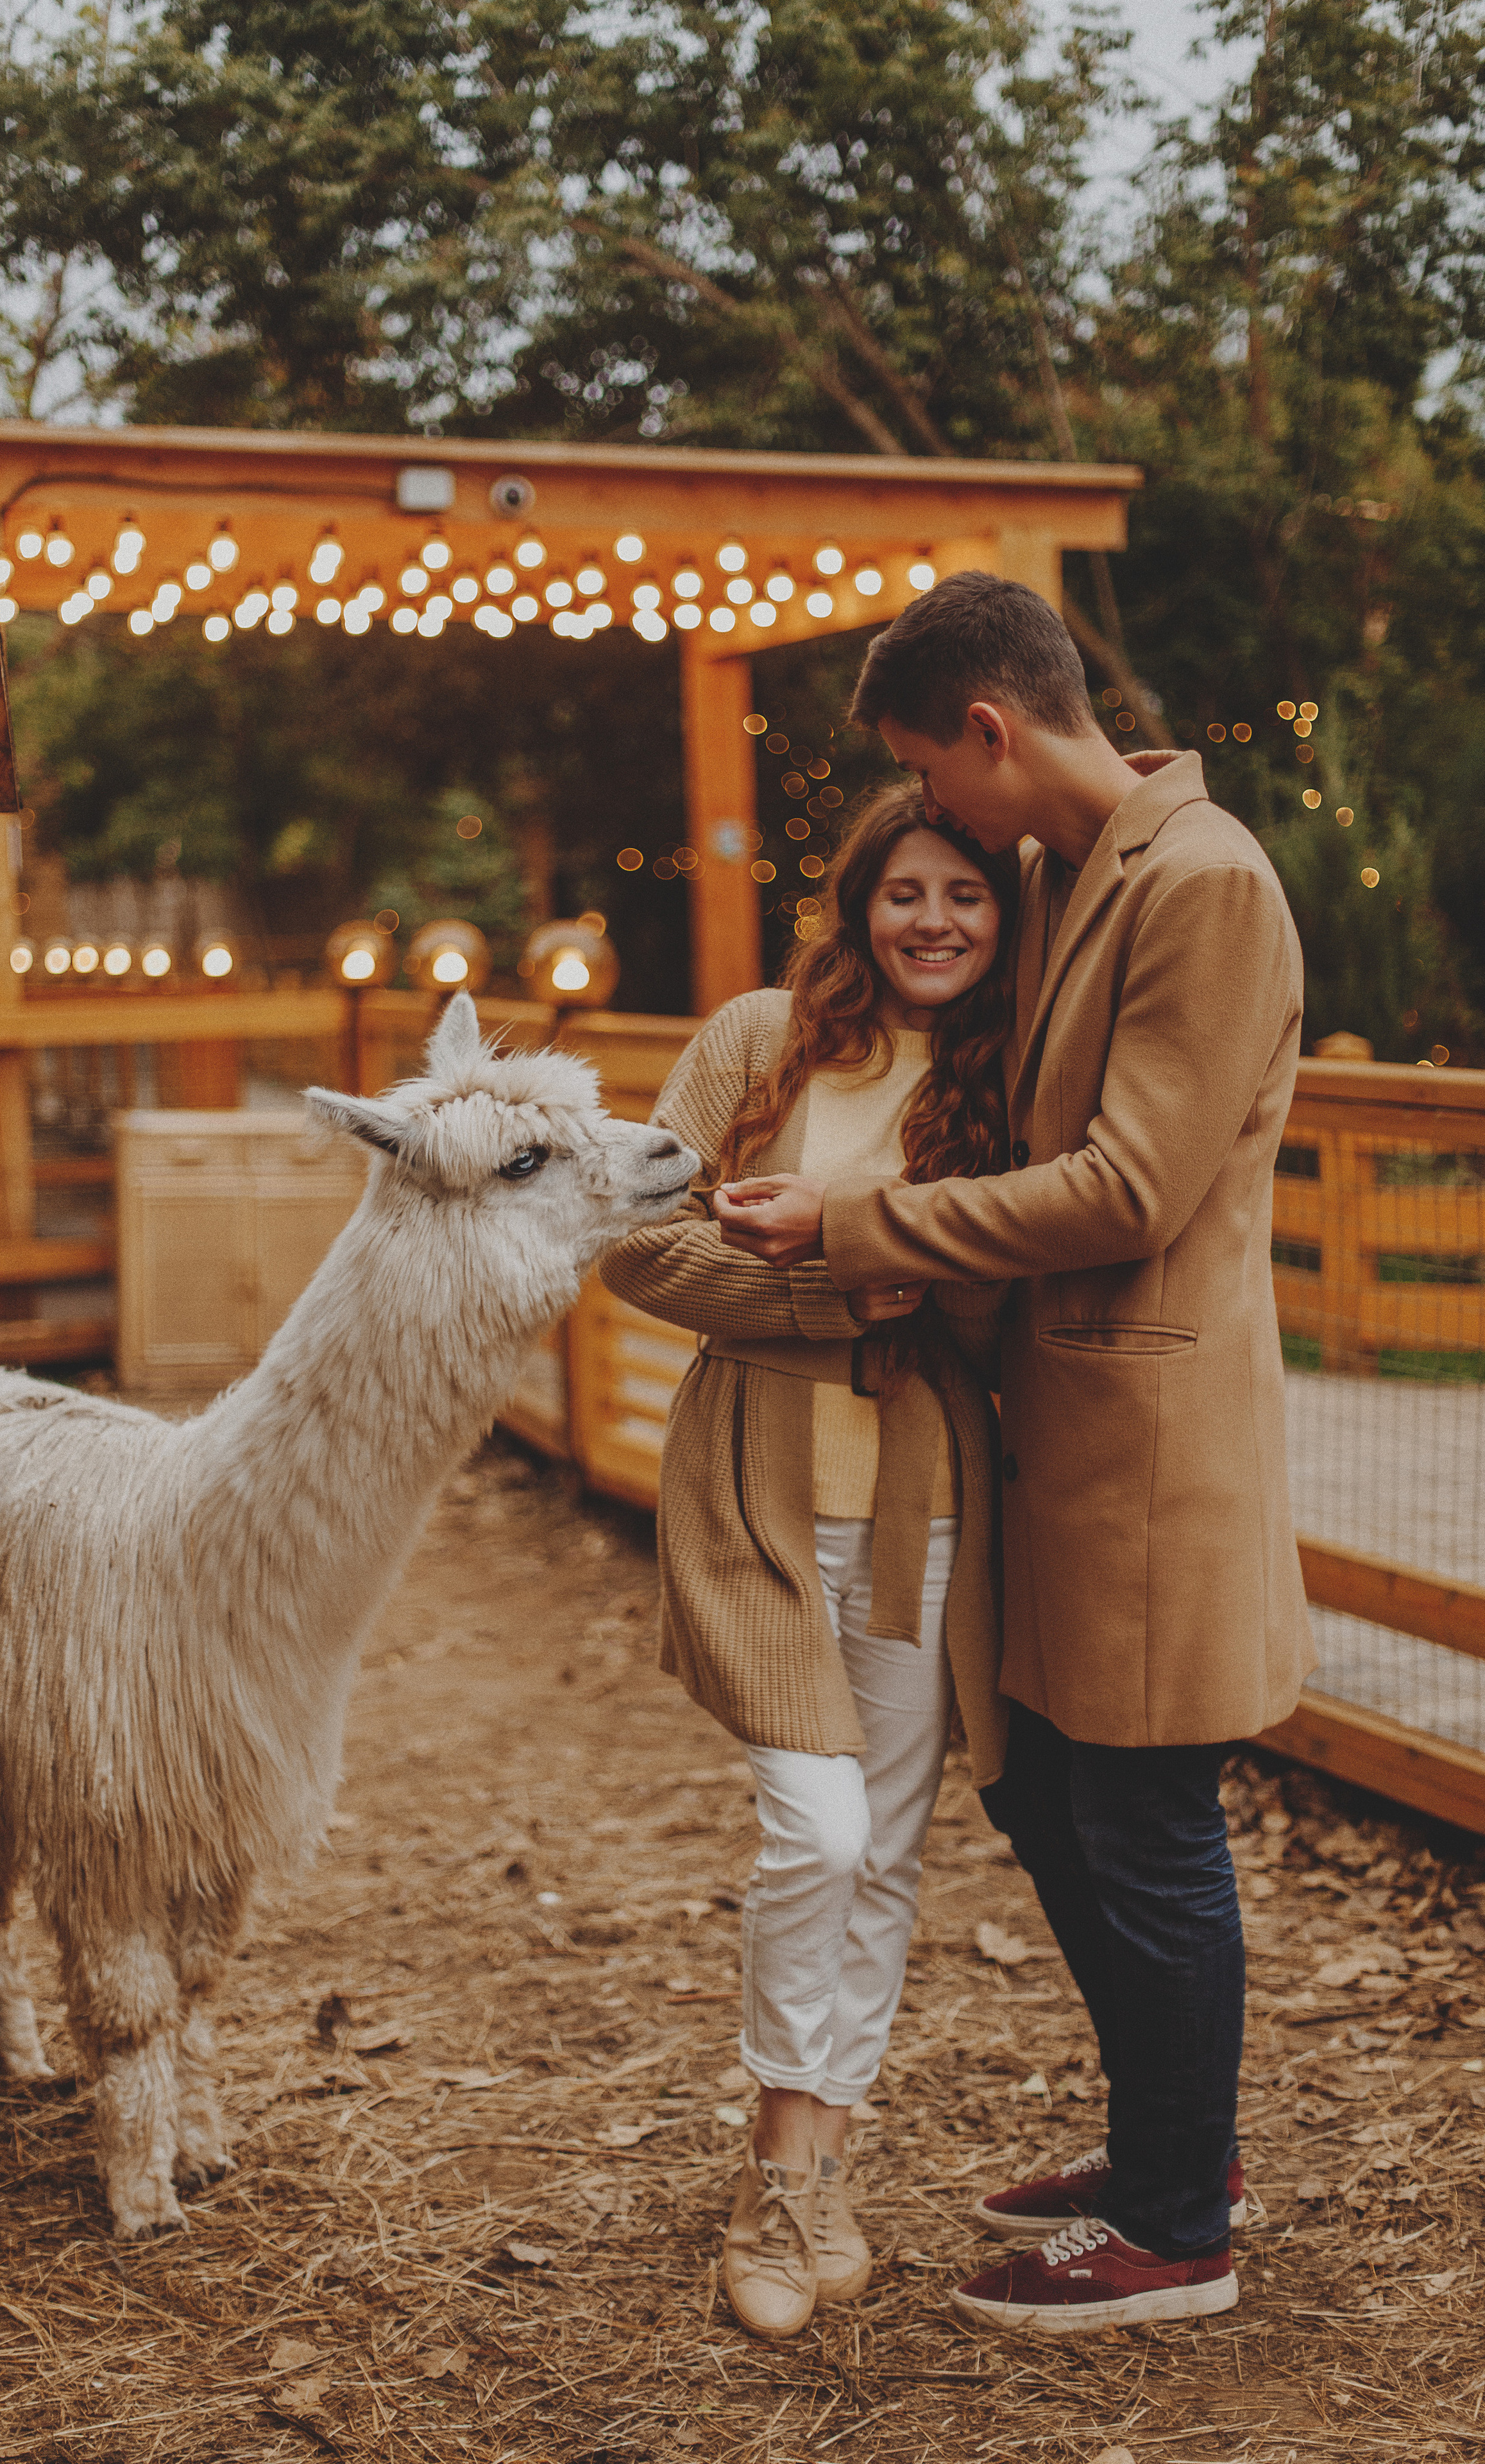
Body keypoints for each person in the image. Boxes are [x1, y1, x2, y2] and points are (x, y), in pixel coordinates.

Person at [711, 570, 1315, 2337]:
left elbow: (1134, 1184)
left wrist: (849, 1224)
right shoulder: (1074, 867)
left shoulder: (1204, 885)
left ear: (988, 730)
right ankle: (1164, 2153)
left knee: (1140, 1816)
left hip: (1147, 1436)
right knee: (1040, 1791)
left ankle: (1177, 2229)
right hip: (1038, 1437)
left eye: (931, 774)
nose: (937, 825)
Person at [602, 783, 1018, 2341]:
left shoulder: (1005, 1074)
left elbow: (998, 1290)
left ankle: (805, 2174)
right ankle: (778, 2170)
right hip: (756, 1483)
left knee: (888, 1853)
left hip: (927, 1496)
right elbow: (638, 1236)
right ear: (860, 902)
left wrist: (855, 1250)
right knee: (821, 1831)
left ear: (1001, 919)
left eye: (965, 898)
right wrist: (849, 1292)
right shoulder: (756, 1039)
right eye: (905, 892)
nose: (932, 923)